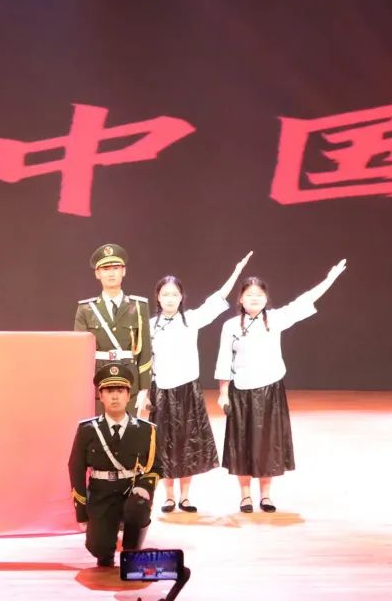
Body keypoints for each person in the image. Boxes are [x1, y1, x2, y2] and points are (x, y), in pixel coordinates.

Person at [214, 259, 347, 513]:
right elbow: (223, 360)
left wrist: (329, 279)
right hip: (240, 391)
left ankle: (266, 496)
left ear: (266, 298)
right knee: (242, 443)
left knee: (268, 443)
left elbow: (305, 300)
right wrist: (223, 393)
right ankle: (245, 496)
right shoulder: (230, 326)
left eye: (259, 294)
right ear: (240, 299)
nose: (254, 298)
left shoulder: (276, 319)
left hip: (270, 391)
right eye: (249, 294)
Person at [149, 251, 252, 514]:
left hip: (187, 390)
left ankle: (185, 497)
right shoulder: (149, 326)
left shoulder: (192, 319)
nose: (170, 298)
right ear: (158, 297)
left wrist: (236, 271)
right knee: (164, 444)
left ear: (181, 297)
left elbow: (218, 297)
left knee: (187, 443)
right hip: (161, 391)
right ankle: (168, 496)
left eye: (174, 294)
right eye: (165, 294)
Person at [69, 364, 162, 568]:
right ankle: (105, 545)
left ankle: (131, 550)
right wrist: (81, 510)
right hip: (101, 494)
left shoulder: (146, 431)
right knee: (99, 548)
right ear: (100, 396)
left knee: (138, 505)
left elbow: (156, 467)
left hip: (131, 491)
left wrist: (144, 487)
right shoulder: (87, 430)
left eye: (120, 391)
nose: (115, 396)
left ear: (128, 396)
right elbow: (75, 468)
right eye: (109, 391)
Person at [74, 243, 153, 418]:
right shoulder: (86, 309)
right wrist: (83, 387)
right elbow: (80, 354)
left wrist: (144, 388)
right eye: (106, 269)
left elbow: (145, 350)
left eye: (116, 268)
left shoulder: (139, 306)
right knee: (100, 431)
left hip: (129, 383)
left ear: (123, 271)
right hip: (98, 384)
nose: (111, 273)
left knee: (128, 431)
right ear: (97, 273)